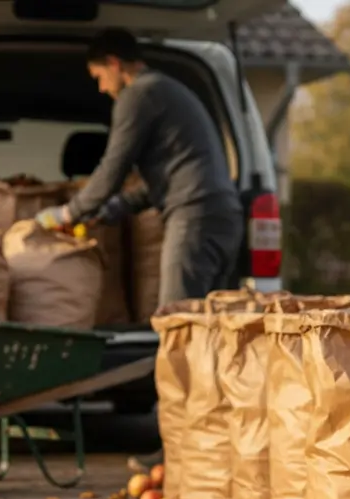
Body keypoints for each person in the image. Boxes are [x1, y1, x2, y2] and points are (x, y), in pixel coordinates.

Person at [36, 28, 244, 305]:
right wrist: (115, 208)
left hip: (193, 218)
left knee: (177, 319)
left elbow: (113, 168)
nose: (101, 88)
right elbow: (164, 178)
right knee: (209, 323)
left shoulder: (138, 94)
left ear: (114, 63)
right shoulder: (165, 89)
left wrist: (68, 213)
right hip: (224, 215)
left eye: (99, 77)